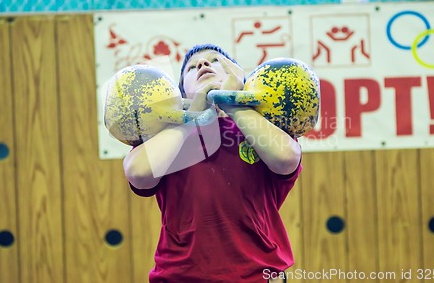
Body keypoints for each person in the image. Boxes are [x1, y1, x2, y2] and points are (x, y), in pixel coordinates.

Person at [123, 43, 302, 283]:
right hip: (179, 277)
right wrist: (193, 118)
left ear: (237, 78)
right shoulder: (167, 136)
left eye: (214, 61)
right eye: (192, 67)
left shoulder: (257, 129)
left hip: (258, 276)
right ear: (182, 93)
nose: (203, 65)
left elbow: (286, 158)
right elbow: (138, 173)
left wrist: (232, 103)